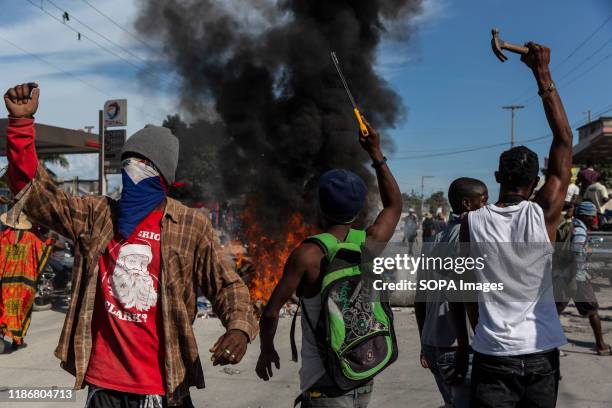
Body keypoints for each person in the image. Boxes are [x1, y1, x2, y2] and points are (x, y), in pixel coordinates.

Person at [4, 83, 257, 407]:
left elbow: (227, 286)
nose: (131, 174)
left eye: (142, 166)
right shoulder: (98, 215)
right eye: (127, 164)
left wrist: (239, 328)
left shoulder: (190, 225)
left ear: (161, 177)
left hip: (164, 386)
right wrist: (22, 127)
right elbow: (39, 197)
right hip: (104, 386)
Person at [453, 42, 573, 408]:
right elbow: (565, 140)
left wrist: (477, 341)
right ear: (536, 183)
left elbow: (467, 295)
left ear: (496, 178)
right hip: (541, 355)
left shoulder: (470, 223)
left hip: (492, 356)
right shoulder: (544, 213)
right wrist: (542, 73)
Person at [255, 119, 402, 407]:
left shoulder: (307, 255)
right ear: (359, 208)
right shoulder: (370, 242)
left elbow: (271, 313)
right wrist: (376, 154)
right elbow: (394, 205)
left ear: (320, 206)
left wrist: (266, 349)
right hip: (362, 372)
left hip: (324, 386)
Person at [415, 177, 488, 408]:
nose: (487, 206)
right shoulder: (469, 238)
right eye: (483, 201)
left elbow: (421, 298)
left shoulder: (435, 239)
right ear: (468, 204)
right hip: (457, 347)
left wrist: (423, 342)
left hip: (433, 342)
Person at [556, 201, 611, 355]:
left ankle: (548, 346)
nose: (594, 219)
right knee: (592, 311)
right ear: (586, 216)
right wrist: (574, 281)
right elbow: (575, 256)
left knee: (554, 312)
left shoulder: (570, 226)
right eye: (592, 216)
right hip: (576, 278)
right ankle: (601, 346)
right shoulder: (580, 231)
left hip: (563, 276)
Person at [0, 211, 46, 352]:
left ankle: (1, 334)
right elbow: (43, 251)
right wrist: (51, 243)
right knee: (20, 310)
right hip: (25, 284)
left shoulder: (3, 237)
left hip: (5, 284)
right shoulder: (31, 238)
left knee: (4, 309)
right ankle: (17, 338)